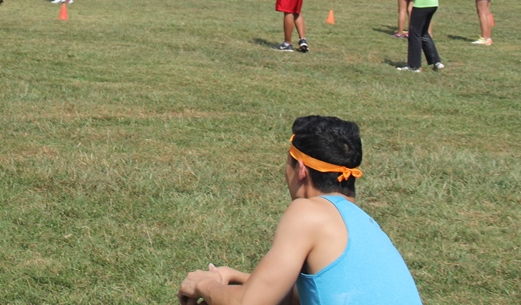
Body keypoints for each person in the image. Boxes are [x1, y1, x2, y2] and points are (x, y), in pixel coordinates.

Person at [178, 115, 423, 305]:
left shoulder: (308, 212)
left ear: (302, 170)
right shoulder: (363, 223)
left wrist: (203, 285)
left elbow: (250, 303)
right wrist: (236, 277)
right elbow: (308, 294)